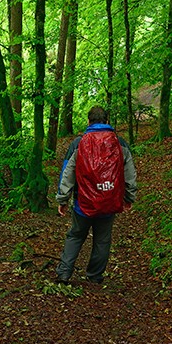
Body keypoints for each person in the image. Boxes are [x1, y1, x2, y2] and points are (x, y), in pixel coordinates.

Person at [55, 106, 137, 284]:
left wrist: (63, 198)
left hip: (82, 203)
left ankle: (64, 273)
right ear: (107, 121)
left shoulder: (78, 143)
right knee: (102, 240)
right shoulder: (120, 143)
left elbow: (67, 173)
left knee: (75, 236)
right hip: (109, 200)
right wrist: (129, 197)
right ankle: (94, 276)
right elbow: (129, 173)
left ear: (88, 121)